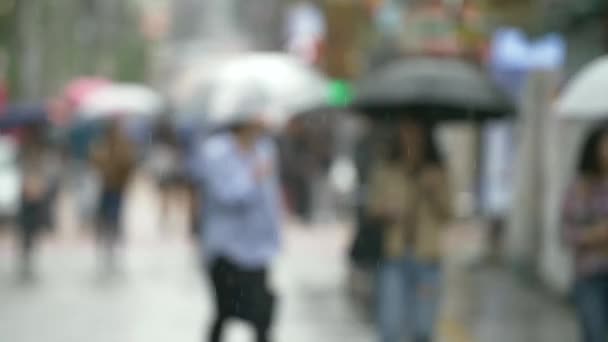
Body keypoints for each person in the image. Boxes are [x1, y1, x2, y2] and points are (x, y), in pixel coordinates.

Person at [190, 110, 281, 342]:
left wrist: (275, 237)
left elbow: (270, 200)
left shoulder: (265, 149)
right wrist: (253, 177)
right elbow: (226, 195)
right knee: (224, 311)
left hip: (258, 247)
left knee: (262, 315)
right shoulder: (216, 152)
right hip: (225, 248)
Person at [366, 120, 452, 342]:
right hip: (394, 254)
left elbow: (449, 213)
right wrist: (386, 211)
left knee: (423, 328)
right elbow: (372, 207)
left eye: (416, 133)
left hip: (427, 256)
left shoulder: (438, 171)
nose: (411, 138)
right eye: (406, 132)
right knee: (390, 327)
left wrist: (433, 191)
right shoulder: (387, 168)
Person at [562, 124, 608, 342]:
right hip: (590, 275)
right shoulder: (580, 187)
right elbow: (567, 233)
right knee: (595, 334)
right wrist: (595, 234)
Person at [90, 119, 136, 275]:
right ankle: (107, 240)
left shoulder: (123, 145)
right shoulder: (101, 145)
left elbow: (129, 163)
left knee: (114, 216)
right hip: (107, 187)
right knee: (105, 216)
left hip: (117, 187)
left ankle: (113, 241)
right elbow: (94, 161)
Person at [17, 123, 52, 281]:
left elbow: (45, 171)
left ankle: (29, 250)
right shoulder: (24, 150)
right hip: (27, 192)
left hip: (35, 193)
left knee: (31, 225)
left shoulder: (40, 150)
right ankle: (27, 251)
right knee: (27, 226)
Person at [149, 117, 181, 229]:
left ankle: (164, 213)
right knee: (166, 192)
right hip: (167, 162)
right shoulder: (171, 132)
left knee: (163, 191)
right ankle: (165, 213)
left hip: (161, 162)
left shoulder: (156, 132)